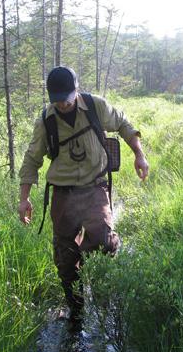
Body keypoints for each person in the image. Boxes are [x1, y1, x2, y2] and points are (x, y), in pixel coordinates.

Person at [18, 66, 149, 319]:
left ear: (76, 91)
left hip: (95, 187)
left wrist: (139, 155)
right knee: (66, 260)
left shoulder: (96, 106)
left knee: (103, 242)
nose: (62, 105)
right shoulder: (46, 120)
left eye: (66, 100)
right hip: (63, 194)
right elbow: (31, 159)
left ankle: (102, 295)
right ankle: (76, 311)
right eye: (56, 101)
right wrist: (24, 199)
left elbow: (123, 124)